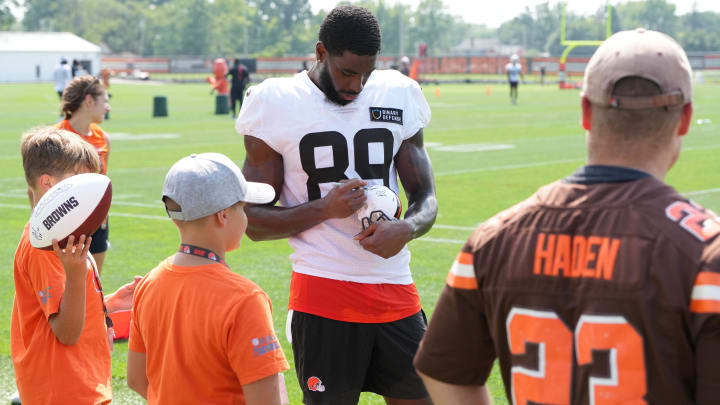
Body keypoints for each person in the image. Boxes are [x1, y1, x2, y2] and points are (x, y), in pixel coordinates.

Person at [414, 29, 720, 405]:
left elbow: (443, 371)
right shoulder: (705, 254)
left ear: (586, 112)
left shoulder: (494, 239)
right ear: (685, 118)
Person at [236, 5, 437, 405]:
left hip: (396, 286)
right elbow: (252, 221)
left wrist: (407, 228)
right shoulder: (275, 101)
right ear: (321, 52)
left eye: (367, 72)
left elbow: (426, 197)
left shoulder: (398, 91)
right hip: (323, 291)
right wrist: (323, 210)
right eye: (347, 72)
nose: (358, 85)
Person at [126, 153, 289, 404]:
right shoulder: (245, 299)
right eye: (242, 208)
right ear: (223, 215)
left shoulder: (149, 283)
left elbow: (137, 379)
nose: (245, 218)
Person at [12, 126, 140, 404]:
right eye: (80, 180)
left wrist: (110, 303)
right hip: (66, 389)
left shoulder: (57, 237)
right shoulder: (45, 248)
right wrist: (75, 271)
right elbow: (66, 333)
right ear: (48, 184)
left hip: (77, 380)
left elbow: (58, 307)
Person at [56, 76, 112, 274]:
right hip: (65, 224)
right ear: (89, 101)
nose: (108, 107)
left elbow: (103, 182)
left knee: (93, 282)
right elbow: (36, 187)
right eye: (105, 100)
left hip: (97, 224)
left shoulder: (103, 138)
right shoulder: (57, 137)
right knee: (63, 287)